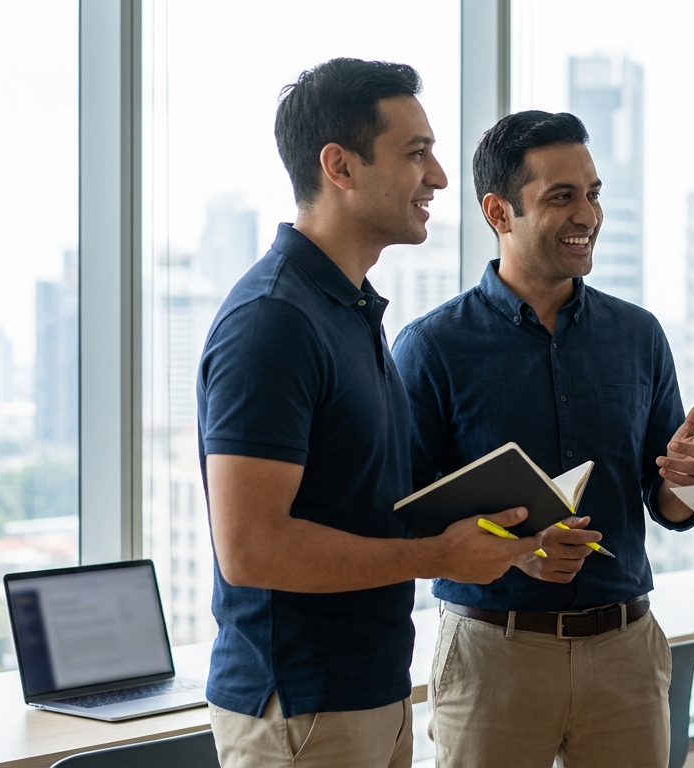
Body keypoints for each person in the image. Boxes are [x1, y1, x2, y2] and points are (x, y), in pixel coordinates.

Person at [198, 59, 547, 768]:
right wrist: (440, 557)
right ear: (340, 166)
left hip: (369, 694)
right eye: (416, 153)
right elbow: (250, 549)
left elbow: (362, 500)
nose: (440, 177)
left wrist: (506, 531)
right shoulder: (274, 321)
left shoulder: (350, 310)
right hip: (300, 706)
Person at [391, 110, 694, 768]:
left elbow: (668, 506)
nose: (587, 216)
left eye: (593, 194)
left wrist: (686, 482)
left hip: (625, 650)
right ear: (498, 211)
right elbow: (405, 521)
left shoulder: (638, 336)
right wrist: (514, 553)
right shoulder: (431, 347)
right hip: (493, 655)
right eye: (561, 197)